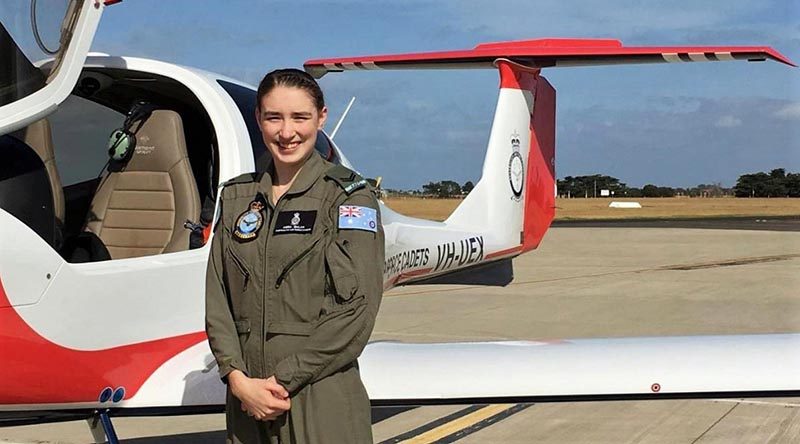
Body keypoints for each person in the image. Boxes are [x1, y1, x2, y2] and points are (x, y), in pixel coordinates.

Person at [205, 68, 385, 443]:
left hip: (318, 396)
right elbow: (217, 298)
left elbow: (356, 312)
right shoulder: (237, 198)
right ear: (259, 120)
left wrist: (282, 381)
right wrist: (237, 380)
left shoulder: (348, 197)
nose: (287, 132)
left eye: (300, 117)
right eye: (274, 117)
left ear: (322, 118)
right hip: (248, 403)